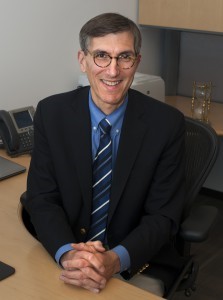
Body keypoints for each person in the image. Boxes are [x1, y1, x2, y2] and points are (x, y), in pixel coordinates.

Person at [22, 12, 185, 297]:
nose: (113, 71)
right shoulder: (51, 113)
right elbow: (42, 198)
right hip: (69, 253)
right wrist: (69, 255)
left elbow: (163, 216)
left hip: (136, 262)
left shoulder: (167, 124)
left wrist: (114, 260)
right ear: (82, 60)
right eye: (101, 56)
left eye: (124, 57)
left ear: (137, 62)